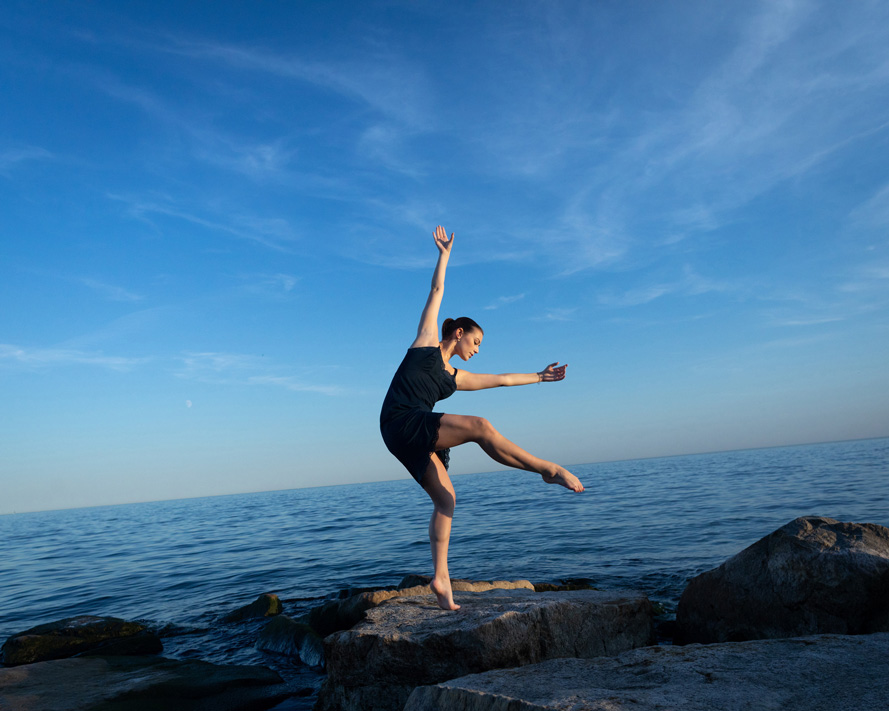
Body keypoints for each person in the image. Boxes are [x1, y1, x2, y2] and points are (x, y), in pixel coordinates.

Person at [380, 225, 584, 611]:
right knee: (480, 426)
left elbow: (503, 379)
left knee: (446, 500)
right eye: (475, 342)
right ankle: (546, 468)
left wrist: (539, 377)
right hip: (401, 420)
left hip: (404, 433)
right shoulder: (424, 343)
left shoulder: (455, 378)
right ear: (458, 333)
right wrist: (444, 255)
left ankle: (440, 580)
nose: (477, 350)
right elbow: (436, 292)